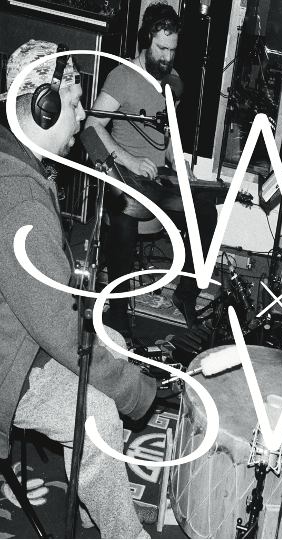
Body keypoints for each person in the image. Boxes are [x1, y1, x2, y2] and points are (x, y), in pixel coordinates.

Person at [0, 40, 157, 539]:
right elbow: (62, 332)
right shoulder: (21, 201)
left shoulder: (16, 166)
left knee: (111, 352)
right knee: (101, 417)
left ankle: (96, 502)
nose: (82, 116)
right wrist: (135, 390)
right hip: (9, 362)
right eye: (73, 103)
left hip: (18, 333)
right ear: (43, 108)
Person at [85, 1, 218, 336]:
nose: (167, 57)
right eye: (161, 49)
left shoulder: (172, 82)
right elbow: (91, 127)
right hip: (125, 177)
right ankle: (118, 311)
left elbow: (168, 134)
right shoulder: (122, 77)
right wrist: (130, 160)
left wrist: (178, 159)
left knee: (206, 213)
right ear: (146, 40)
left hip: (158, 182)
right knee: (125, 221)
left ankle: (185, 294)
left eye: (172, 50)